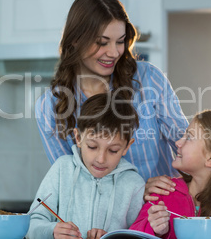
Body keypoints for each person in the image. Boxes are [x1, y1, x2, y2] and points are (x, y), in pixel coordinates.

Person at [35, 0, 211, 207]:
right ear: (75, 41)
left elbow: (192, 150)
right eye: (102, 42)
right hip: (103, 226)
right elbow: (70, 183)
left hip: (163, 213)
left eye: (120, 41)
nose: (113, 52)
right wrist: (137, 190)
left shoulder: (148, 79)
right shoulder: (50, 107)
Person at [27, 92, 145, 239]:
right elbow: (30, 225)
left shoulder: (134, 184)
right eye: (92, 147)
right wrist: (52, 231)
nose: (101, 159)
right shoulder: (62, 169)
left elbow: (139, 234)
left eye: (113, 150)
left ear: (127, 147)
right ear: (78, 138)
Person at [130, 110, 211, 239]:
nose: (178, 142)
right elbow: (131, 235)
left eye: (189, 138)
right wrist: (153, 229)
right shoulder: (162, 193)